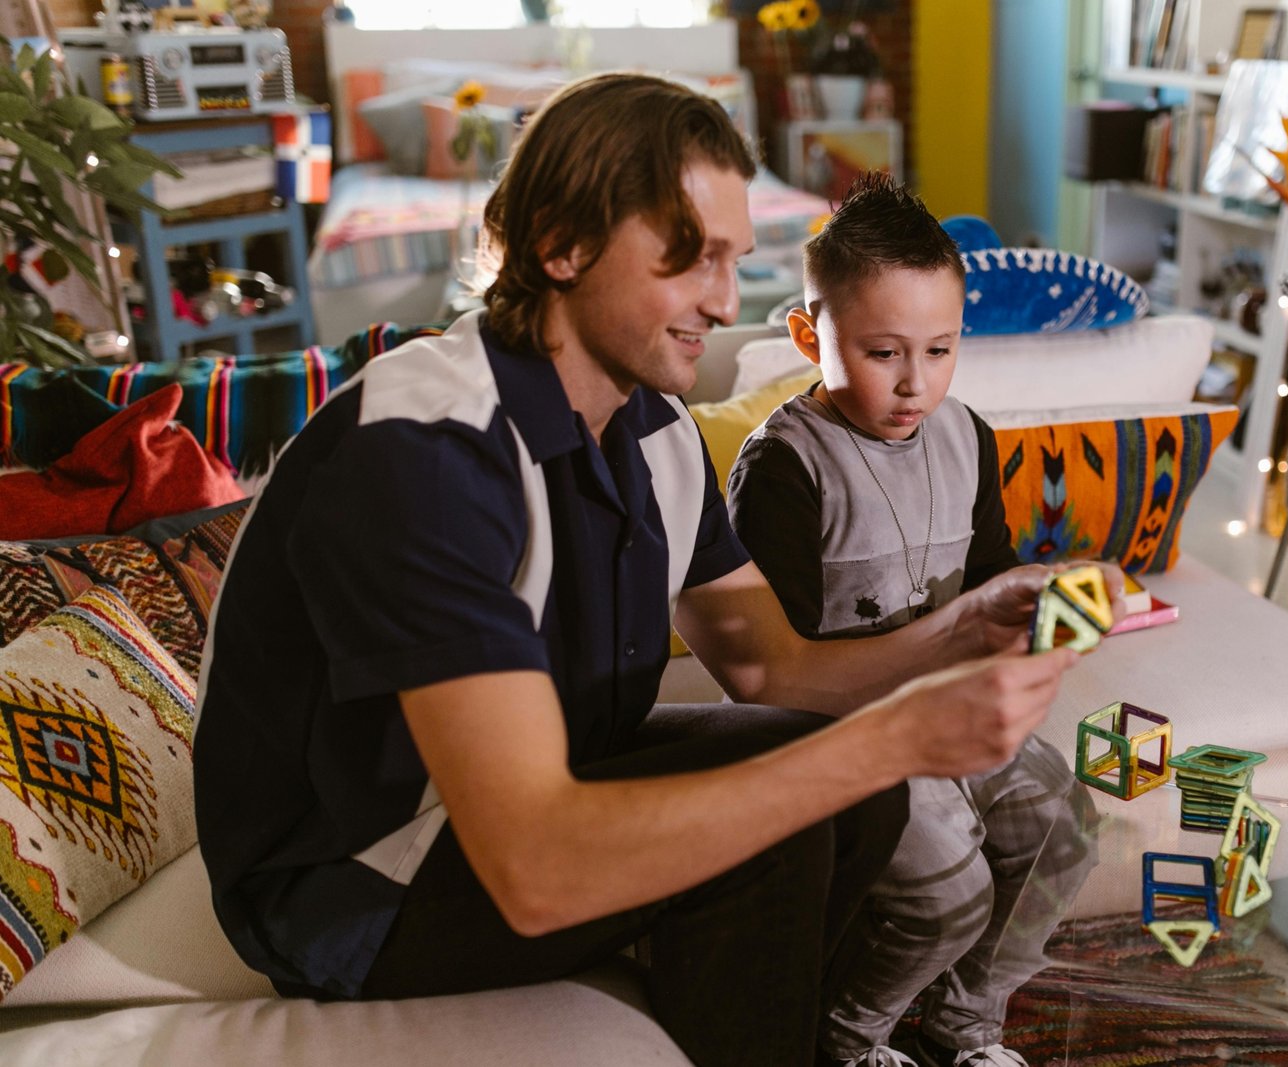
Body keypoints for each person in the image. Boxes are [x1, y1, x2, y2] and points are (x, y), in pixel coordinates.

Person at [192, 73, 1086, 1067]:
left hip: (544, 778)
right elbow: (531, 864)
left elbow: (772, 668)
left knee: (837, 782)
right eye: (689, 258)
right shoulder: (424, 452)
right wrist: (893, 739)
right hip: (353, 888)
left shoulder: (651, 428)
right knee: (798, 806)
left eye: (734, 260)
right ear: (560, 244)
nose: (722, 296)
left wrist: (968, 626)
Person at [726, 173, 1104, 1067]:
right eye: (884, 351)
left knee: (1065, 826)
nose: (914, 384)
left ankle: (967, 1023)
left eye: (940, 350)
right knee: (949, 891)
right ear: (808, 333)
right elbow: (778, 677)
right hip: (852, 730)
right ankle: (851, 1037)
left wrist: (1047, 604)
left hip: (956, 706)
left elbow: (989, 571)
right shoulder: (782, 466)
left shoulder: (967, 434)